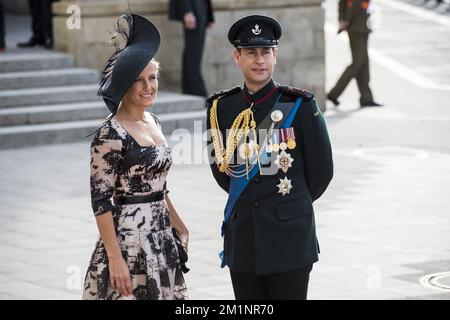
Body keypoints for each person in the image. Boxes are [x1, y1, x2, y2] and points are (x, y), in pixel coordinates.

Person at [206, 15, 333, 300]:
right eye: (251, 52)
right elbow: (221, 170)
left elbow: (322, 172)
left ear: (275, 55)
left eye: (266, 52)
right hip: (243, 238)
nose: (259, 59)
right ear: (236, 57)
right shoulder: (221, 108)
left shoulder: (299, 105)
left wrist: (286, 203)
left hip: (289, 238)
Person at [82, 13, 188, 300]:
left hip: (161, 235)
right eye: (138, 81)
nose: (148, 87)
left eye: (152, 78)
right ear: (124, 86)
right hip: (129, 240)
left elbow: (158, 184)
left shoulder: (154, 120)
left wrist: (177, 221)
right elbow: (101, 201)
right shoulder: (110, 135)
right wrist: (115, 259)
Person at [327, 0, 382, 108]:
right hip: (357, 26)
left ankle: (366, 97)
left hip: (361, 25)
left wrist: (343, 18)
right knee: (358, 62)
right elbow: (355, 3)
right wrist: (346, 19)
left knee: (363, 62)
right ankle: (334, 93)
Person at [168, 0, 214, 97]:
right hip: (193, 7)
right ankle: (195, 91)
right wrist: (186, 11)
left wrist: (209, 16)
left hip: (200, 7)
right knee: (192, 53)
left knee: (195, 53)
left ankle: (191, 90)